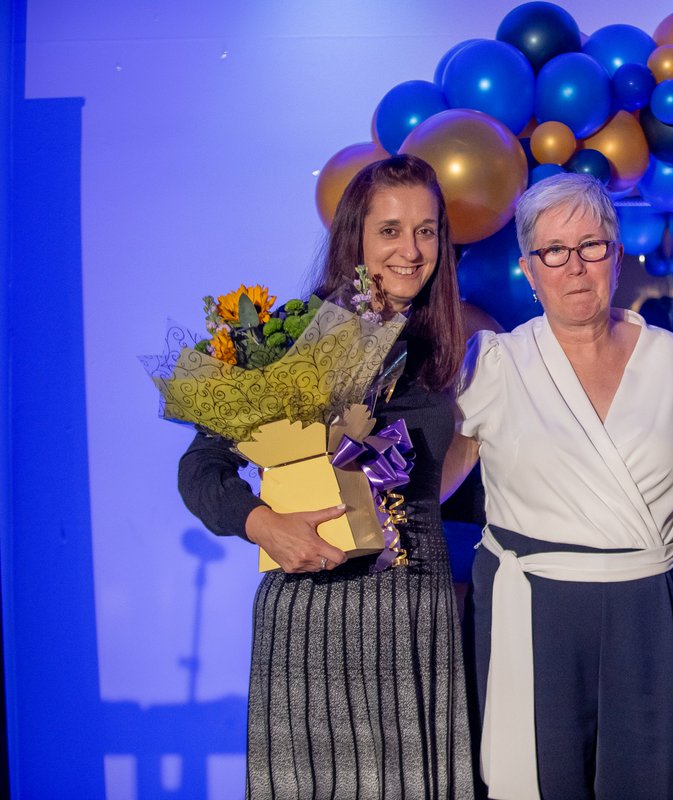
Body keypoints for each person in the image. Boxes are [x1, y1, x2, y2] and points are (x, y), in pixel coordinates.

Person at [178, 155, 474, 799]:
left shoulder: (449, 349)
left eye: (427, 230)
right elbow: (200, 469)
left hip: (415, 612)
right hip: (313, 609)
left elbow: (445, 488)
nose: (410, 250)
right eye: (390, 230)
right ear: (355, 239)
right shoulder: (290, 339)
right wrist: (263, 525)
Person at [441, 172, 673, 800]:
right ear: (529, 271)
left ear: (616, 256)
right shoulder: (494, 363)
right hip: (533, 618)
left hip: (650, 614)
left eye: (591, 246)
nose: (575, 266)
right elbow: (422, 489)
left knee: (654, 781)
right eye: (553, 252)